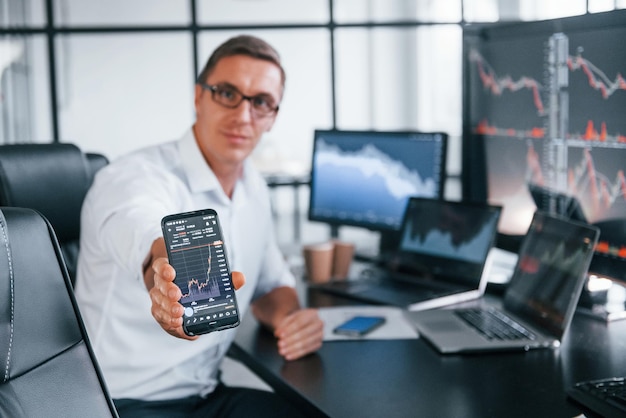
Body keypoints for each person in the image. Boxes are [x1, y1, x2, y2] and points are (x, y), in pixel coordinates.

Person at [75, 34, 324, 417]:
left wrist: (291, 320)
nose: (243, 116)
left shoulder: (254, 188)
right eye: (227, 93)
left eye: (261, 102)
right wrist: (165, 281)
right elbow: (147, 237)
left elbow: (270, 284)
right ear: (198, 97)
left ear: (273, 116)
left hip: (206, 395)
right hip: (118, 404)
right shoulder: (131, 177)